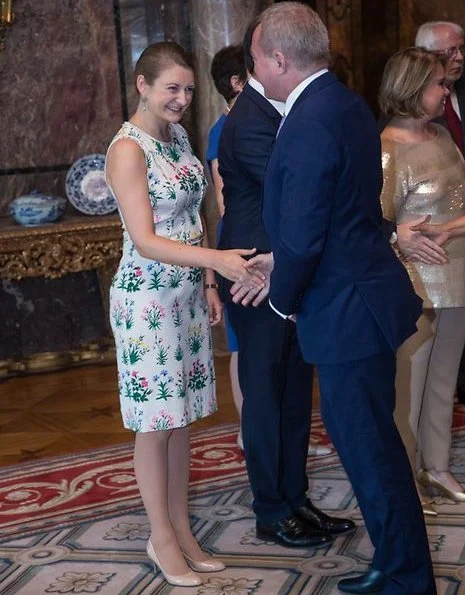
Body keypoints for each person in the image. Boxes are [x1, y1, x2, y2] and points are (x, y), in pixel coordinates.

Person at [247, 3, 436, 593]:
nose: (254, 69)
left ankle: (405, 574)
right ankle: (399, 561)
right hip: (361, 295)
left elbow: (303, 231)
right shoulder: (346, 104)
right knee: (372, 440)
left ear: (279, 58)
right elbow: (348, 212)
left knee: (370, 447)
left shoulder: (308, 119)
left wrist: (282, 297)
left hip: (344, 309)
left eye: (256, 59)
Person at [105, 41, 264, 588]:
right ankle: (161, 536)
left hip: (186, 296)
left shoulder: (176, 138)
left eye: (188, 89)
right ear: (142, 84)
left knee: (181, 422)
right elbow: (146, 241)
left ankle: (180, 527)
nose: (181, 99)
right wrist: (215, 260)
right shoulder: (127, 150)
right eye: (171, 87)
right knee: (155, 426)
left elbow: (192, 218)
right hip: (146, 300)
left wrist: (208, 281)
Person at [217, 17, 354, 550]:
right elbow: (297, 191)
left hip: (286, 272)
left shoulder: (284, 109)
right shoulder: (249, 118)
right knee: (267, 397)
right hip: (255, 276)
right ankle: (271, 510)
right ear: (265, 57)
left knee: (295, 394)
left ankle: (295, 499)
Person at [379, 47, 465, 516]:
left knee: (444, 380)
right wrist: (401, 241)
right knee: (405, 391)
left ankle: (436, 466)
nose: (445, 89)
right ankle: (404, 477)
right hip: (415, 284)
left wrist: (450, 230)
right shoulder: (387, 148)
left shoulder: (443, 136)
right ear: (411, 87)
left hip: (459, 274)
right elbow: (377, 223)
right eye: (438, 83)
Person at [415, 21, 465, 404]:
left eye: (462, 48)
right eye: (449, 52)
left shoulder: (449, 124)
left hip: (457, 241)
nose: (459, 58)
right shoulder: (392, 136)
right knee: (424, 370)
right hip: (425, 264)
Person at [207, 45, 247, 450]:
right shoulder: (222, 132)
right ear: (238, 83)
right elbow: (225, 199)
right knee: (241, 346)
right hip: (238, 247)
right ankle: (248, 429)